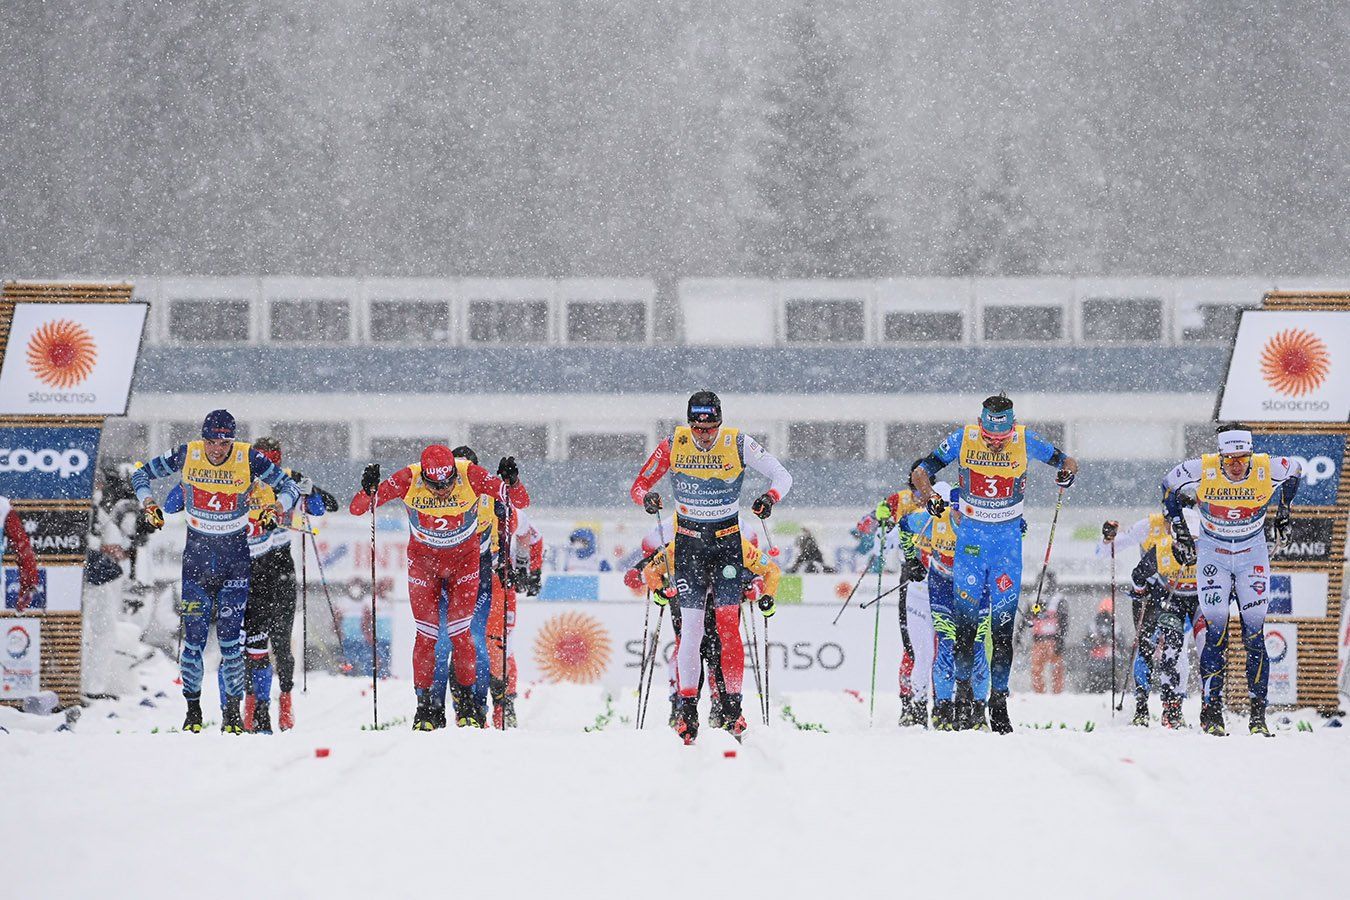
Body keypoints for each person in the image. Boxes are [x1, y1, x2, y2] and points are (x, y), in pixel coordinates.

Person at [629, 390, 792, 743]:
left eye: (710, 428)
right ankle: (688, 713)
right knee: (691, 631)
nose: (704, 435)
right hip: (687, 545)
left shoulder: (737, 442)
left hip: (727, 544)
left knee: (727, 627)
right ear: (690, 424)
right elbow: (638, 486)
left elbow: (782, 476)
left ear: (719, 422)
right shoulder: (674, 443)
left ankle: (732, 710)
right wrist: (648, 499)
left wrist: (769, 498)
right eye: (698, 428)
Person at [911, 393, 1078, 733]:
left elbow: (1068, 461)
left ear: (1011, 428)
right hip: (971, 542)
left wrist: (1067, 475)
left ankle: (998, 704)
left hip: (1006, 546)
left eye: (1001, 439)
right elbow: (921, 470)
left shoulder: (1025, 438)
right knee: (965, 630)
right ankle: (961, 701)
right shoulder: (963, 438)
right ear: (981, 427)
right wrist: (928, 496)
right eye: (990, 438)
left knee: (1002, 633)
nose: (996, 444)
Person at [130, 410, 299, 733]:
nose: (217, 449)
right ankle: (193, 711)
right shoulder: (188, 453)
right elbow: (140, 475)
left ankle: (233, 715)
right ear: (203, 438)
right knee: (192, 642)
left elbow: (288, 485)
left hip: (236, 564)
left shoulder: (248, 456)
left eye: (224, 443)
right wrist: (149, 504)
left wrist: (277, 508)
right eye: (212, 442)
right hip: (196, 565)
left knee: (230, 643)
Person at [350, 444, 528, 730]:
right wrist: (369, 490)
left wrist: (512, 482)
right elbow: (358, 509)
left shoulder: (471, 474)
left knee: (465, 638)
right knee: (429, 638)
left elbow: (521, 501)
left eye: (448, 483)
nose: (442, 490)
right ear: (425, 477)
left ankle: (470, 705)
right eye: (435, 485)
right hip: (425, 567)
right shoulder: (410, 477)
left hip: (467, 567)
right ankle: (426, 708)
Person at [1161, 425, 1300, 736]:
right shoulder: (1203, 468)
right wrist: (1180, 529)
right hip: (1214, 556)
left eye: (1241, 459)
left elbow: (1296, 471)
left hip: (1253, 555)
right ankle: (1212, 713)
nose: (1236, 466)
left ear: (1250, 455)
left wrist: (1284, 512)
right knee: (1216, 634)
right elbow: (1168, 484)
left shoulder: (1267, 467)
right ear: (1220, 457)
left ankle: (1258, 716)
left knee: (1254, 635)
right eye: (1229, 460)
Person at [626, 516, 780, 730]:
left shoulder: (741, 526)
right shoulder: (668, 527)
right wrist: (647, 578)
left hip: (721, 594)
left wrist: (754, 586)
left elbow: (755, 566)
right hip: (686, 593)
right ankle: (681, 705)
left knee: (719, 650)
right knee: (689, 646)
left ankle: (722, 706)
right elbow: (649, 561)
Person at [1099, 510, 1200, 729]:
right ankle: (1142, 708)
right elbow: (1105, 552)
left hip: (1180, 596)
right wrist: (1108, 539)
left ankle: (1173, 709)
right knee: (1145, 647)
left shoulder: (1197, 524)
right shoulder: (1147, 525)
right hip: (1148, 596)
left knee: (1177, 648)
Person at [898, 481, 986, 730]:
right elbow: (899, 530)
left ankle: (952, 707)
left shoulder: (972, 524)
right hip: (919, 596)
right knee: (923, 656)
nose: (949, 511)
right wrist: (910, 561)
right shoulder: (929, 516)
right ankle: (915, 708)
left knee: (955, 652)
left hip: (950, 594)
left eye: (951, 505)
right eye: (945, 505)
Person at [82, 469, 141, 699]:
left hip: (102, 577)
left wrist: (113, 548)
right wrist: (102, 548)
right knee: (99, 631)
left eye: (100, 484)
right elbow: (79, 539)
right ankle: (89, 686)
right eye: (96, 484)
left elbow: (115, 538)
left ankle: (93, 684)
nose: (99, 488)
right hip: (93, 579)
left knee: (104, 631)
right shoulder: (80, 508)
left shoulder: (96, 510)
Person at [0, 495, 40, 612]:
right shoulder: (2, 506)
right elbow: (23, 546)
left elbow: (22, 546)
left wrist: (28, 585)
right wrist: (28, 584)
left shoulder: (2, 507)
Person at [1028, 586, 1068, 695]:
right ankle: (1039, 692)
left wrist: (1061, 639)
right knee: (1037, 668)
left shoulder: (1058, 600)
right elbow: (1026, 619)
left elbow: (1064, 621)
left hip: (1053, 639)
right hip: (1039, 640)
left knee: (1056, 668)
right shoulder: (1033, 600)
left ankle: (1057, 692)